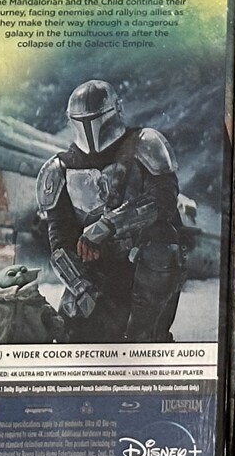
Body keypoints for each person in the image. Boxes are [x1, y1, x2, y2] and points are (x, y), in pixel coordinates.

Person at [37, 80, 188, 343]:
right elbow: (59, 242)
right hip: (94, 274)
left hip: (143, 267)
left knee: (163, 245)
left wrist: (107, 226)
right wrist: (81, 286)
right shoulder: (58, 169)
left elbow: (162, 201)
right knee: (72, 340)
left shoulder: (146, 145)